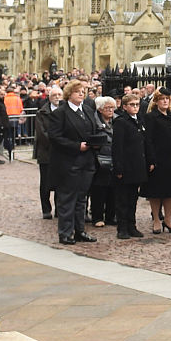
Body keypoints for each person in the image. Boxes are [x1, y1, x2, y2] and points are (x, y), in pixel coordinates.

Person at [47, 79, 104, 246]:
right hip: (69, 162)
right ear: (69, 93)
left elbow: (93, 130)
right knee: (67, 199)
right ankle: (65, 232)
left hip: (87, 161)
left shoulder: (87, 110)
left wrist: (96, 142)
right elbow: (55, 137)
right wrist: (76, 146)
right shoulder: (61, 113)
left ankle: (80, 231)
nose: (81, 94)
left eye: (83, 91)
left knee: (82, 199)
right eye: (78, 91)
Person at [142, 89, 171, 234]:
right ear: (156, 101)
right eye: (162, 98)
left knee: (170, 192)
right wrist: (151, 159)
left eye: (167, 98)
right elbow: (149, 140)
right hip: (158, 159)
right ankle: (157, 219)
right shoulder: (151, 117)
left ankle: (168, 220)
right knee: (156, 191)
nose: (165, 101)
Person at [111, 93, 146, 239]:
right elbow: (117, 146)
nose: (135, 107)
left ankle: (132, 225)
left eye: (137, 104)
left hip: (137, 165)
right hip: (125, 166)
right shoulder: (121, 122)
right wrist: (118, 167)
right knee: (122, 199)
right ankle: (122, 227)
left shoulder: (139, 121)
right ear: (125, 107)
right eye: (132, 105)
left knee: (133, 198)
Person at [33, 85, 62, 219]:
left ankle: (59, 208)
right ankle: (46, 209)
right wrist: (55, 143)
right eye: (54, 95)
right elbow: (41, 133)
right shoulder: (42, 113)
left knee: (60, 183)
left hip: (61, 152)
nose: (57, 98)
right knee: (45, 182)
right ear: (49, 98)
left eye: (59, 95)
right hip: (46, 152)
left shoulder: (64, 111)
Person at [89, 96, 117, 228]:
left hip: (114, 157)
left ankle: (111, 215)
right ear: (100, 109)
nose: (111, 110)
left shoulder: (117, 121)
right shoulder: (94, 122)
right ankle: (97, 216)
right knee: (99, 190)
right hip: (100, 159)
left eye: (112, 107)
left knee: (113, 188)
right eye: (107, 108)